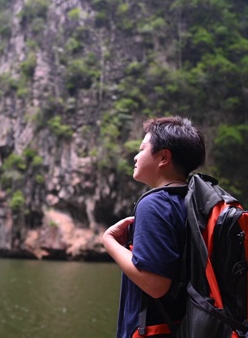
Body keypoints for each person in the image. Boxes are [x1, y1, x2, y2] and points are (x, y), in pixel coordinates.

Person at [102, 116, 206, 338]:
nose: (135, 156)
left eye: (142, 149)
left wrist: (109, 242)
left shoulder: (156, 203)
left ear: (163, 157)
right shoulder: (194, 201)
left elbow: (155, 283)